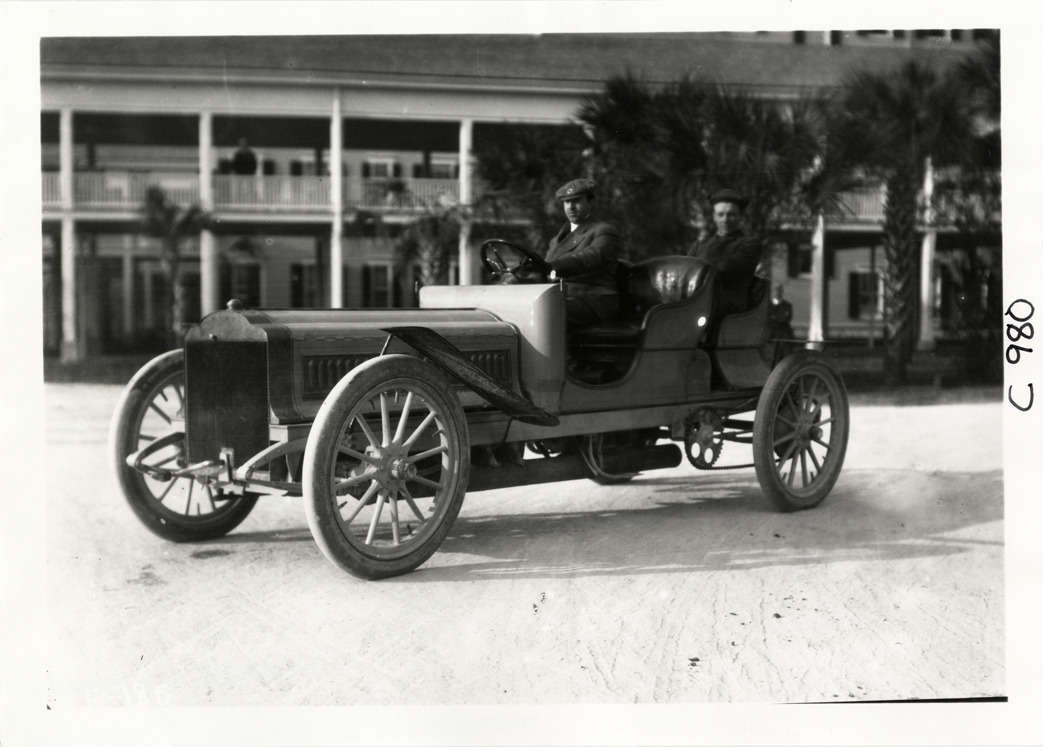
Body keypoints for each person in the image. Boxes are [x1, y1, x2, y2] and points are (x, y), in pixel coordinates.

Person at [545, 178, 622, 328]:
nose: (571, 207)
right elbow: (545, 271)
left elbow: (591, 257)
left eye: (576, 201)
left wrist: (554, 266)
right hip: (565, 297)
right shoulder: (557, 239)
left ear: (590, 203)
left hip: (596, 301)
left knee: (547, 311)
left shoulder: (603, 230)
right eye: (567, 202)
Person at [689, 188, 764, 316]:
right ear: (714, 216)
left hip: (730, 302)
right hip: (698, 299)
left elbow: (723, 269)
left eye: (731, 214)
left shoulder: (750, 244)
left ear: (740, 216)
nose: (725, 220)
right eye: (720, 214)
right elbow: (687, 268)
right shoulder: (700, 244)